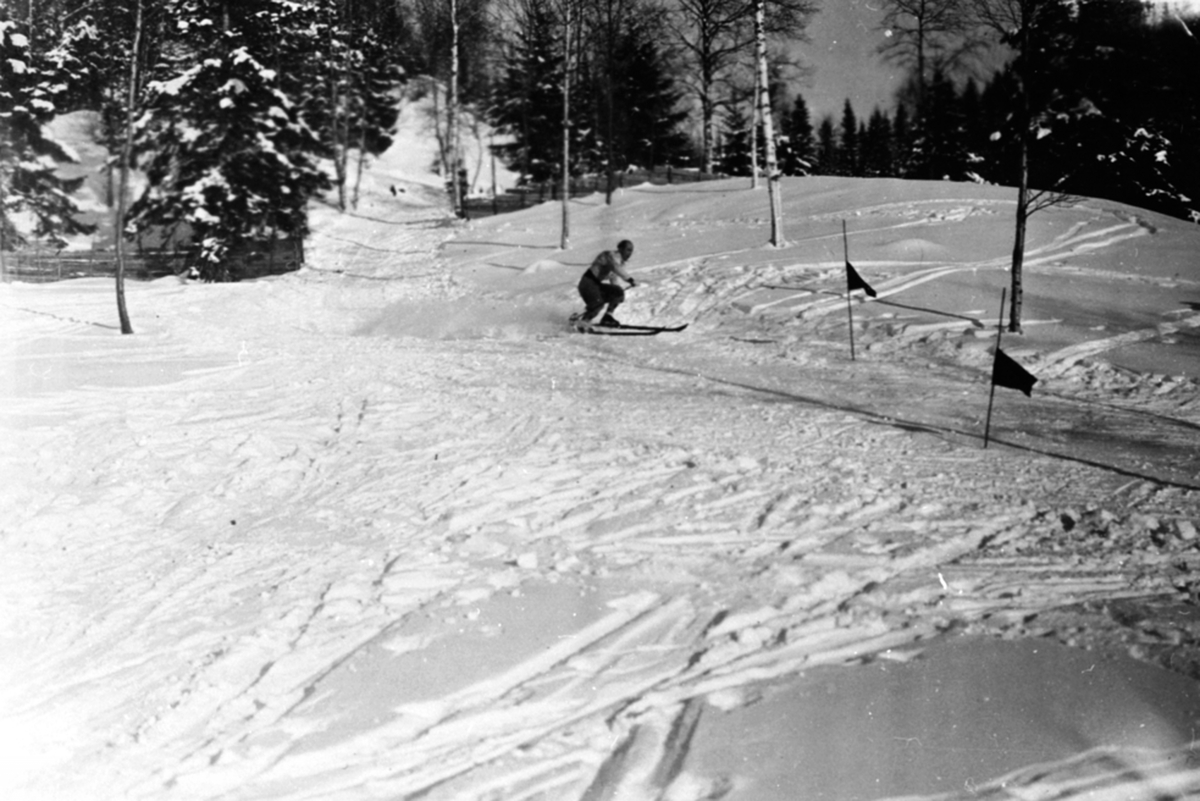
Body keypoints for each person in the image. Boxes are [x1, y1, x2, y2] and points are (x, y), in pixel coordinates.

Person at [578, 239, 636, 326]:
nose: (630, 253)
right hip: (587, 283)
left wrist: (617, 295)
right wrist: (629, 279)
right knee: (598, 304)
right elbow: (616, 268)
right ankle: (583, 322)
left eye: (631, 250)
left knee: (618, 292)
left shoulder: (618, 261)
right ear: (620, 249)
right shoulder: (610, 256)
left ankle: (607, 317)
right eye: (628, 250)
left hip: (595, 284)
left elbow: (613, 278)